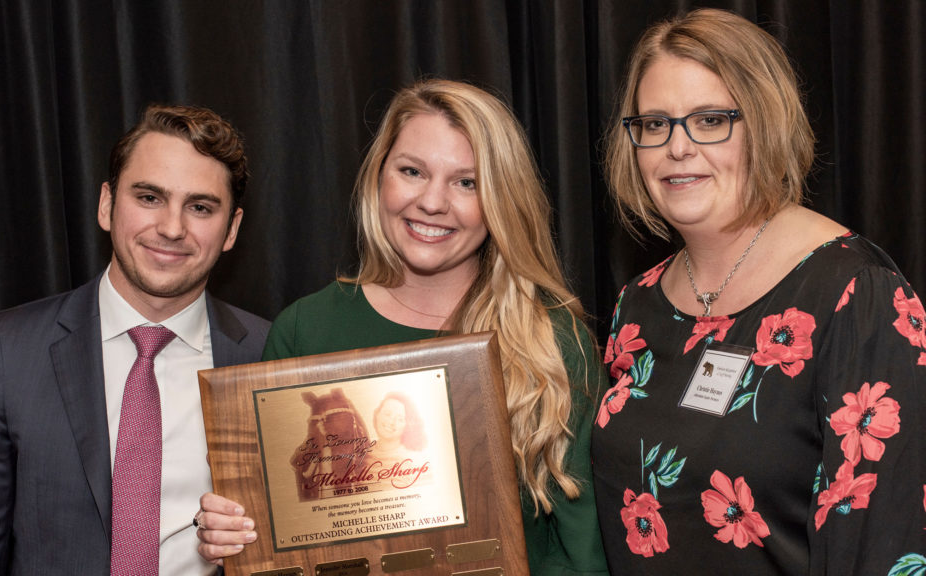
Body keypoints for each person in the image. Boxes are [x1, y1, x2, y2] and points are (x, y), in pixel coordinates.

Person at [199, 79, 609, 575]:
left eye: (467, 182)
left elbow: (586, 546)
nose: (433, 202)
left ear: (502, 198)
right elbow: (280, 536)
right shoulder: (305, 331)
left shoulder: (551, 340)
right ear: (379, 177)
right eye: (412, 171)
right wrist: (235, 531)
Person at [593, 8, 924, 575]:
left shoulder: (854, 295)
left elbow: (885, 545)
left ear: (765, 124)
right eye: (654, 124)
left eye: (710, 119)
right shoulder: (637, 306)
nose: (677, 148)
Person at [0, 104, 269, 575]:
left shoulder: (266, 357)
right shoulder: (10, 351)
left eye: (200, 207)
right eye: (149, 197)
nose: (172, 228)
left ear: (231, 228)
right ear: (107, 205)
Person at [371, 391, 426, 463]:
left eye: (400, 419)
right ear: (377, 414)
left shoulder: (413, 459)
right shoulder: (362, 452)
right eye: (387, 414)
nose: (391, 422)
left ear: (408, 425)